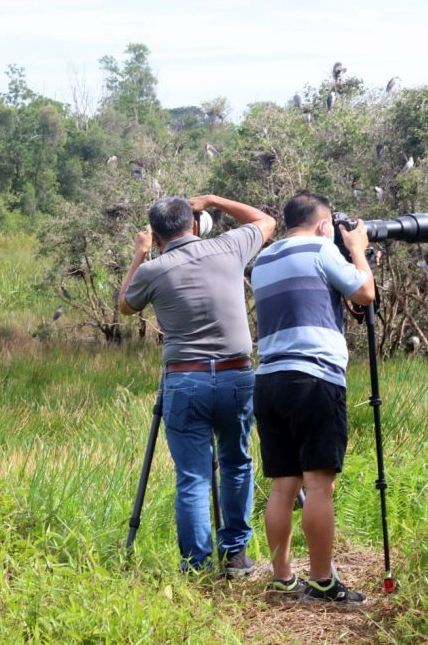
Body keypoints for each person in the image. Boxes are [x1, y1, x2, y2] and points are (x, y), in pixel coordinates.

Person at [119, 194, 276, 575]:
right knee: (237, 463)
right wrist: (212, 200)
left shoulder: (153, 270)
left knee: (193, 475)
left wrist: (140, 254)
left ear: (156, 236)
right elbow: (266, 221)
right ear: (194, 225)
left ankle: (196, 566)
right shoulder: (228, 247)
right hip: (237, 374)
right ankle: (236, 555)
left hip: (185, 379)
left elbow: (125, 305)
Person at [251, 192, 374, 603]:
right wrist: (357, 249)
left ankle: (283, 577)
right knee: (319, 487)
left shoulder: (263, 260)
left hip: (268, 379)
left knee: (283, 486)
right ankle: (322, 580)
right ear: (324, 225)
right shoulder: (322, 249)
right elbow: (365, 292)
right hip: (314, 377)